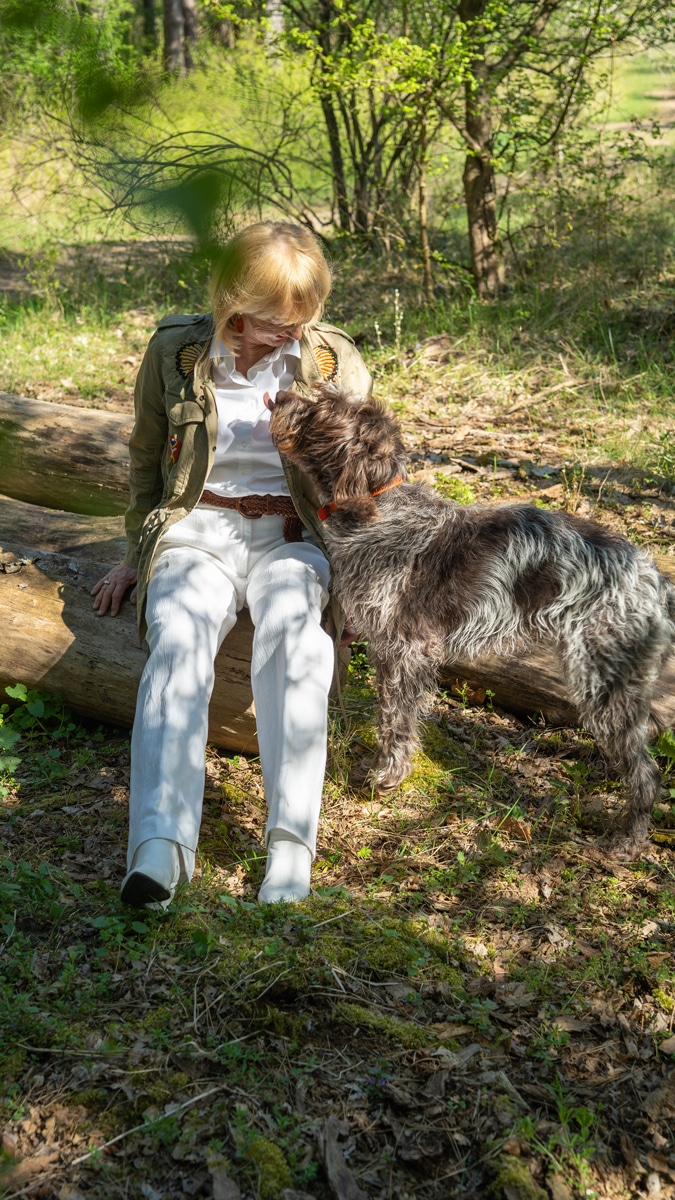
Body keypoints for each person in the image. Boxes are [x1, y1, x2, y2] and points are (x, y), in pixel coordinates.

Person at [92, 221, 372, 907]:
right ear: (234, 303)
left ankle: (289, 846)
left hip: (291, 535)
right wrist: (137, 554)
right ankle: (158, 850)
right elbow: (144, 457)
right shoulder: (176, 353)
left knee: (296, 634)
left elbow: (359, 479)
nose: (294, 332)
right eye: (279, 319)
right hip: (199, 528)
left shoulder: (332, 361)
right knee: (179, 639)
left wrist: (361, 581)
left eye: (304, 317)